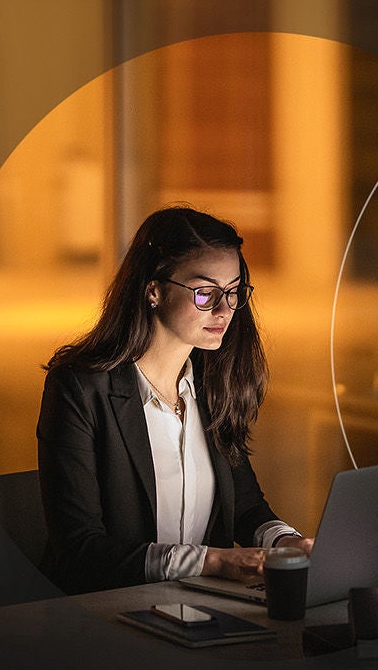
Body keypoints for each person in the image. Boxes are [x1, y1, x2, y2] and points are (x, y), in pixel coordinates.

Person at [36, 206, 312, 595]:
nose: (224, 311)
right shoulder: (80, 389)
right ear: (154, 290)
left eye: (233, 293)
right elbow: (80, 549)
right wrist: (212, 561)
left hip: (200, 608)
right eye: (205, 293)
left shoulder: (213, 384)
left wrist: (288, 544)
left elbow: (247, 509)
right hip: (103, 618)